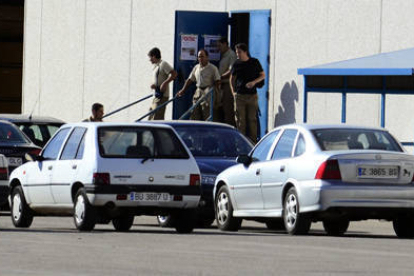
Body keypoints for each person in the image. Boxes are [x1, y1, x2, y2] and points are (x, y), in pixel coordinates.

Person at [230, 43, 265, 143]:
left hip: (252, 96)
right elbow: (231, 78)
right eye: (237, 53)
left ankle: (253, 143)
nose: (238, 55)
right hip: (240, 96)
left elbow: (262, 75)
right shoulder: (236, 64)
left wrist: (254, 82)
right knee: (241, 121)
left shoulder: (254, 62)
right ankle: (241, 143)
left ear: (245, 52)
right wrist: (233, 92)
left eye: (239, 52)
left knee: (252, 120)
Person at [177, 49, 220, 121]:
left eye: (202, 56)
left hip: (208, 92)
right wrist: (182, 90)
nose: (200, 59)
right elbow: (190, 80)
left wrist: (216, 94)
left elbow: (218, 81)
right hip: (198, 91)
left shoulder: (213, 68)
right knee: (194, 113)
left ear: (207, 57)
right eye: (199, 57)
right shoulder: (196, 67)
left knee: (207, 114)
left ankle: (207, 131)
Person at [148, 47, 177, 120]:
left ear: (154, 56)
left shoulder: (163, 64)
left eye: (150, 57)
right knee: (151, 115)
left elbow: (173, 74)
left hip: (162, 95)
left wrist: (165, 83)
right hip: (157, 94)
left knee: (157, 117)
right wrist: (154, 85)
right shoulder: (155, 66)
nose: (150, 60)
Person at [217, 37, 237, 126]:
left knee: (228, 110)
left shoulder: (231, 55)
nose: (218, 48)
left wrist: (220, 77)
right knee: (222, 109)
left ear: (225, 44)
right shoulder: (224, 55)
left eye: (219, 46)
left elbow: (232, 70)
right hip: (222, 86)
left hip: (228, 85)